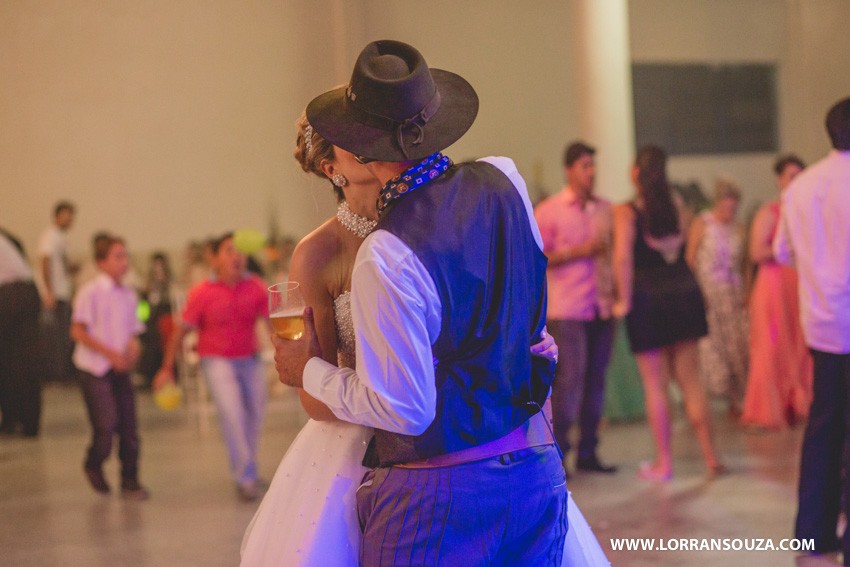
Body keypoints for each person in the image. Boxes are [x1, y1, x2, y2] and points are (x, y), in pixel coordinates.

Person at [274, 40, 569, 565]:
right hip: (534, 464)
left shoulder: (386, 254)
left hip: (440, 488)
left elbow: (406, 410)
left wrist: (306, 371)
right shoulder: (507, 179)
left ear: (359, 152)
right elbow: (526, 299)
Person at [612, 145, 725, 481]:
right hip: (683, 291)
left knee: (655, 386)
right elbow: (683, 247)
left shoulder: (628, 211)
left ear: (635, 173)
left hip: (649, 297)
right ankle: (710, 456)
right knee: (692, 381)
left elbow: (622, 259)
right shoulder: (677, 204)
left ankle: (664, 463)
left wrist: (623, 301)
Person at [774, 97, 850, 560]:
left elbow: (782, 251)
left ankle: (813, 533)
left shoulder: (801, 185)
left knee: (823, 429)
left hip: (822, 325)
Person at [154, 232, 269, 501]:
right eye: (229, 250)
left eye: (239, 251)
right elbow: (180, 332)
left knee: (254, 414)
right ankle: (246, 478)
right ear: (214, 258)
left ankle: (247, 469)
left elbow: (272, 324)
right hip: (216, 361)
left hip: (249, 358)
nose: (237, 256)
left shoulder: (256, 286)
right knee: (232, 413)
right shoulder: (202, 292)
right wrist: (166, 368)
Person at [534, 141, 617, 475]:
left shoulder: (605, 209)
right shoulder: (550, 210)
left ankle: (588, 452)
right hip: (568, 309)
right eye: (585, 165)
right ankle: (560, 454)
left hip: (601, 307)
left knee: (596, 383)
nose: (591, 172)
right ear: (569, 170)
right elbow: (538, 258)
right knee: (569, 384)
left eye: (593, 165)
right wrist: (580, 251)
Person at [71, 233, 148, 499]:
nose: (124, 262)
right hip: (95, 368)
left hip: (121, 368)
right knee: (106, 425)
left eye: (126, 255)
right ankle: (93, 463)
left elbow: (134, 331)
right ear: (101, 261)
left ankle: (130, 480)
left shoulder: (129, 294)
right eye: (118, 256)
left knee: (129, 428)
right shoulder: (90, 292)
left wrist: (132, 348)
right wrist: (110, 354)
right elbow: (78, 331)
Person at [740, 155, 812, 429]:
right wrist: (791, 249)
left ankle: (801, 402)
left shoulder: (805, 209)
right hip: (774, 286)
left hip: (799, 284)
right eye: (791, 176)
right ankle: (770, 408)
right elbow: (756, 251)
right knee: (773, 345)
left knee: (801, 346)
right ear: (780, 179)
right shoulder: (770, 212)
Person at [685, 179, 749, 417]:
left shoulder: (740, 228)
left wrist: (747, 294)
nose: (730, 210)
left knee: (738, 347)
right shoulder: (703, 224)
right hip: (708, 294)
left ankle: (739, 398)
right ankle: (715, 398)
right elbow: (690, 260)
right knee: (714, 348)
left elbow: (745, 265)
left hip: (733, 294)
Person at [0, 228, 42, 436]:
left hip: (9, 298)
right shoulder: (7, 237)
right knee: (21, 363)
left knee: (10, 363)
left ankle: (17, 421)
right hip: (25, 295)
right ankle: (24, 422)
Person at [37, 200, 77, 382]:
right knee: (55, 337)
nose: (69, 221)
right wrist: (49, 291)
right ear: (57, 216)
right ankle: (55, 374)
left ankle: (61, 372)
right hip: (54, 295)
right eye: (66, 217)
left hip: (62, 293)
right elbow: (45, 262)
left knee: (63, 336)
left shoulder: (61, 237)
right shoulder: (50, 236)